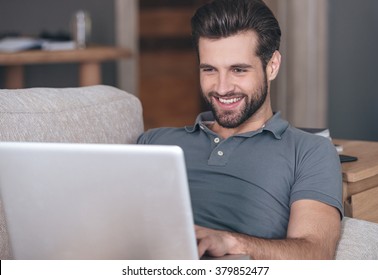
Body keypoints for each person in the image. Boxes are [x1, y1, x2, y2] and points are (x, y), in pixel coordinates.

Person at [137, 0, 343, 259]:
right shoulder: (154, 141)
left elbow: (316, 253)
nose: (222, 88)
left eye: (238, 70)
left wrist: (230, 242)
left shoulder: (309, 152)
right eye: (210, 70)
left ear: (272, 66)